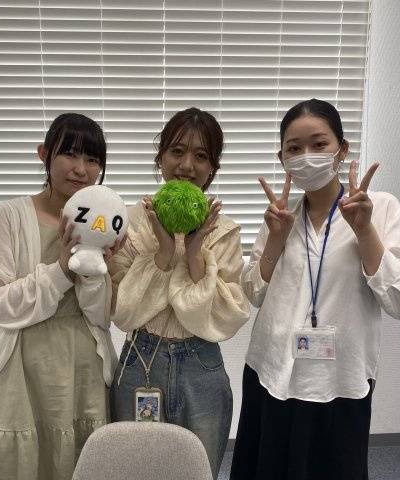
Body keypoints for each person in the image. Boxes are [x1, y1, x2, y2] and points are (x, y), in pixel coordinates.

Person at [229, 99, 400, 480]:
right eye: (294, 148)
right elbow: (254, 293)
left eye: (319, 144)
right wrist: (275, 240)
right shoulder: (280, 215)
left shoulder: (381, 209)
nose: (307, 156)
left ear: (342, 148)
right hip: (271, 372)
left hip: (340, 381)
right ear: (282, 159)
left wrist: (364, 231)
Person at [0, 113, 121, 480]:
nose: (81, 169)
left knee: (81, 457)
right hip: (21, 366)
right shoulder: (6, 218)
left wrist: (94, 271)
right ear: (44, 154)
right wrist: (62, 270)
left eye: (92, 159)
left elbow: (100, 316)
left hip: (83, 364)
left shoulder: (100, 222)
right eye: (69, 153)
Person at [108, 107, 251, 478]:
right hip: (140, 360)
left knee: (199, 470)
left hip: (202, 365)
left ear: (212, 168)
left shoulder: (225, 231)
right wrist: (163, 254)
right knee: (135, 470)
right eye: (177, 151)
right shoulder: (130, 222)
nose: (187, 165)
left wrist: (195, 254)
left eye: (201, 156)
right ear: (161, 157)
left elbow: (225, 317)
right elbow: (122, 312)